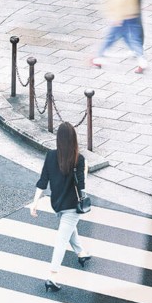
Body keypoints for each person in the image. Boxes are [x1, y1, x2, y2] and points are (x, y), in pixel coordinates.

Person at [29, 122, 91, 292]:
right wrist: (84, 170)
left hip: (57, 204)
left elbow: (42, 182)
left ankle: (82, 254)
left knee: (69, 229)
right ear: (73, 140)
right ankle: (52, 276)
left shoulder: (50, 156)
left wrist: (35, 202)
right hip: (72, 205)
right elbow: (81, 187)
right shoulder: (78, 159)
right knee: (61, 240)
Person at [91, 0, 147, 73]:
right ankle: (141, 60)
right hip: (132, 13)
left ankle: (99, 58)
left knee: (110, 38)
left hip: (121, 15)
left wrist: (116, 16)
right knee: (131, 39)